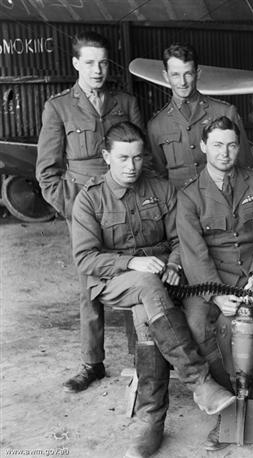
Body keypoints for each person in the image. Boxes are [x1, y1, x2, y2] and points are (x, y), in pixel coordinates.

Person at [71, 121, 237, 458]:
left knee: (146, 312)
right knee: (146, 284)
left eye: (136, 158)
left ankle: (151, 420)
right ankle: (198, 381)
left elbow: (181, 241)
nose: (131, 167)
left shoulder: (161, 189)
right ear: (106, 157)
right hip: (113, 281)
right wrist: (132, 264)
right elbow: (86, 259)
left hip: (161, 280)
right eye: (122, 159)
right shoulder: (89, 199)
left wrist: (175, 265)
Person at [36, 31, 143, 393]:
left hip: (126, 202)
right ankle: (91, 363)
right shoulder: (59, 107)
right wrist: (75, 211)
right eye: (90, 62)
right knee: (90, 284)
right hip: (84, 206)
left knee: (138, 268)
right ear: (76, 64)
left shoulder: (124, 103)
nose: (98, 70)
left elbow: (140, 155)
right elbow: (47, 174)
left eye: (103, 63)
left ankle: (146, 356)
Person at [176, 116, 253, 449]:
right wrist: (215, 297)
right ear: (203, 147)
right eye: (217, 145)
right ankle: (228, 408)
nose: (225, 152)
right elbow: (194, 254)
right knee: (198, 325)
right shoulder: (190, 195)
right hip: (213, 278)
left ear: (239, 148)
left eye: (231, 145)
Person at [148, 42, 252, 188]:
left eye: (188, 74)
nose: (182, 82)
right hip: (181, 205)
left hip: (223, 202)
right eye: (175, 75)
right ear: (166, 76)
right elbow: (159, 177)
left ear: (198, 73)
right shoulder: (157, 124)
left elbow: (245, 165)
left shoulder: (225, 112)